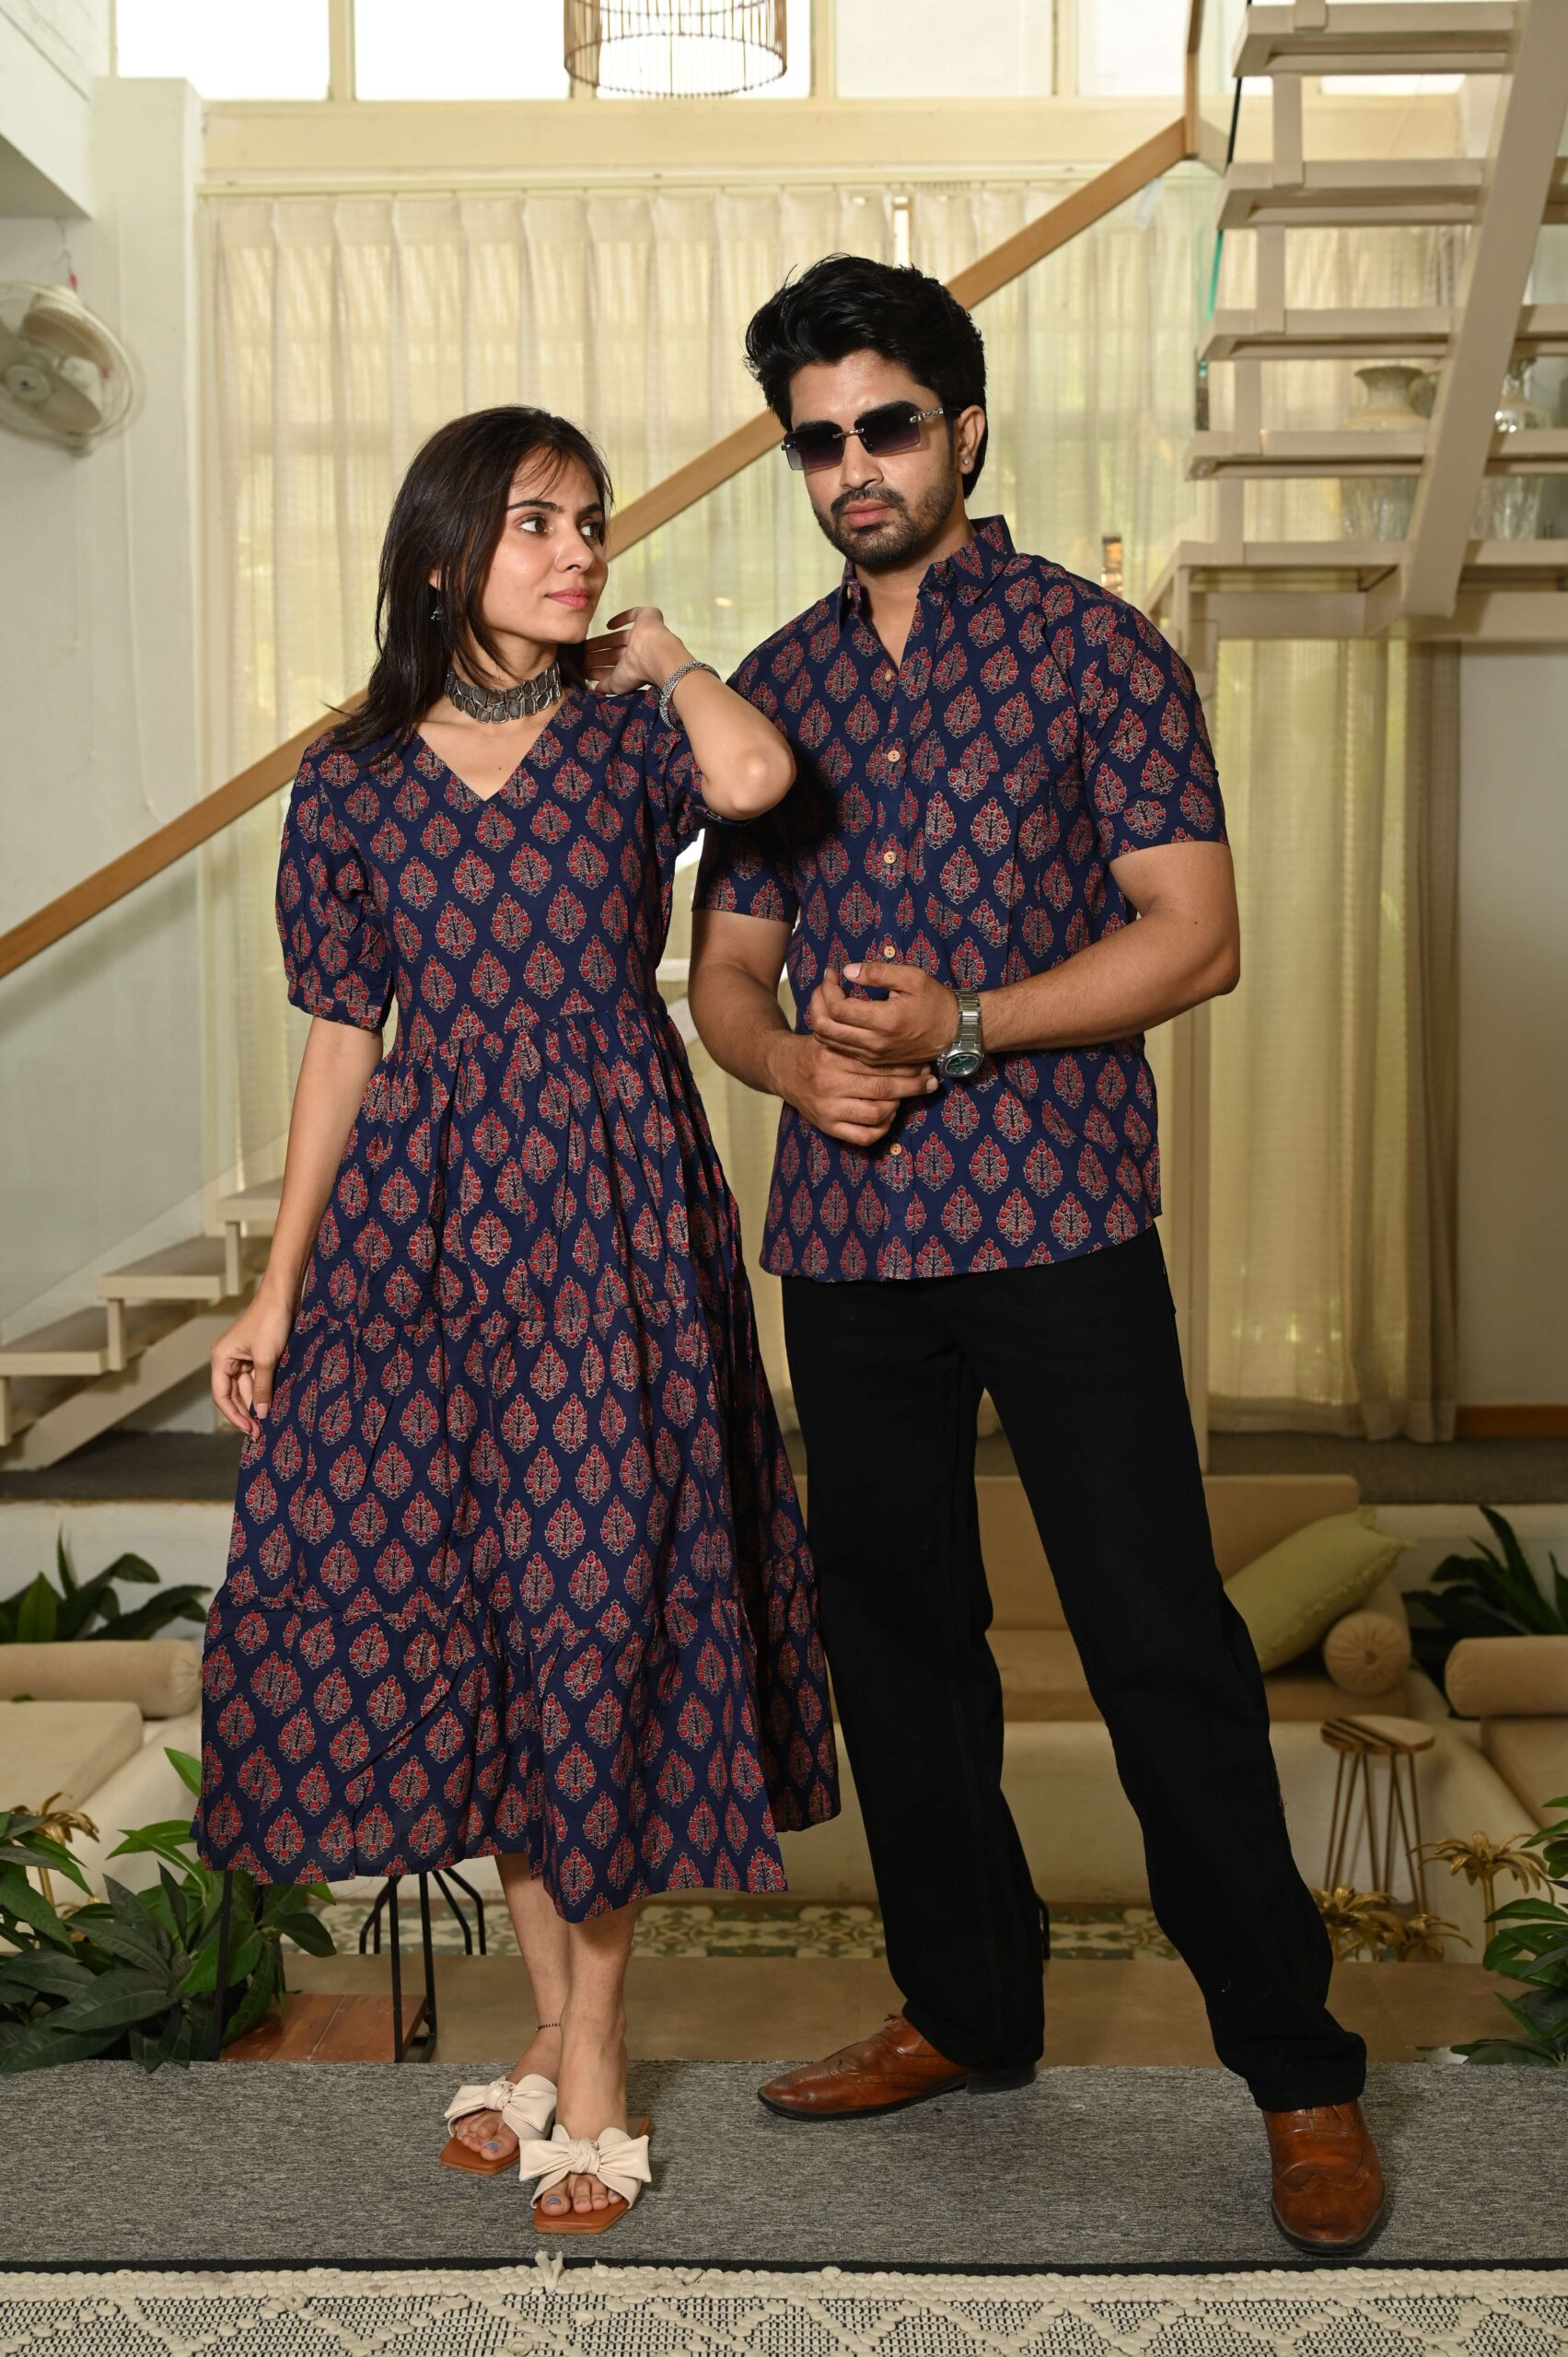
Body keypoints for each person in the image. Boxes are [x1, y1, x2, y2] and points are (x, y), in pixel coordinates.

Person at [685, 257, 1386, 2257]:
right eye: (817, 441)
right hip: (849, 1243)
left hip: (1061, 1219)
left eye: (887, 427)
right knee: (897, 1656)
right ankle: (969, 2009)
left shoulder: (1096, 652)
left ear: (965, 429)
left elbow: (1196, 935)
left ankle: (1300, 2070)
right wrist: (791, 1067)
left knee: (1157, 1641)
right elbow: (728, 975)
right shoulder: (773, 692)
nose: (854, 468)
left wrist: (968, 1027)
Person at [193, 403, 838, 2235]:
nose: (579, 552)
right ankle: (547, 2036)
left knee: (595, 1614)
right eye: (537, 523)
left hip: (613, 1214)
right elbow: (342, 1040)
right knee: (480, 1622)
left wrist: (674, 654)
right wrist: (278, 1285)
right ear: (440, 555)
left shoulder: (632, 738)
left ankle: (599, 2058)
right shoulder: (351, 780)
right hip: (420, 1235)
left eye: (591, 522)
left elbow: (757, 779)